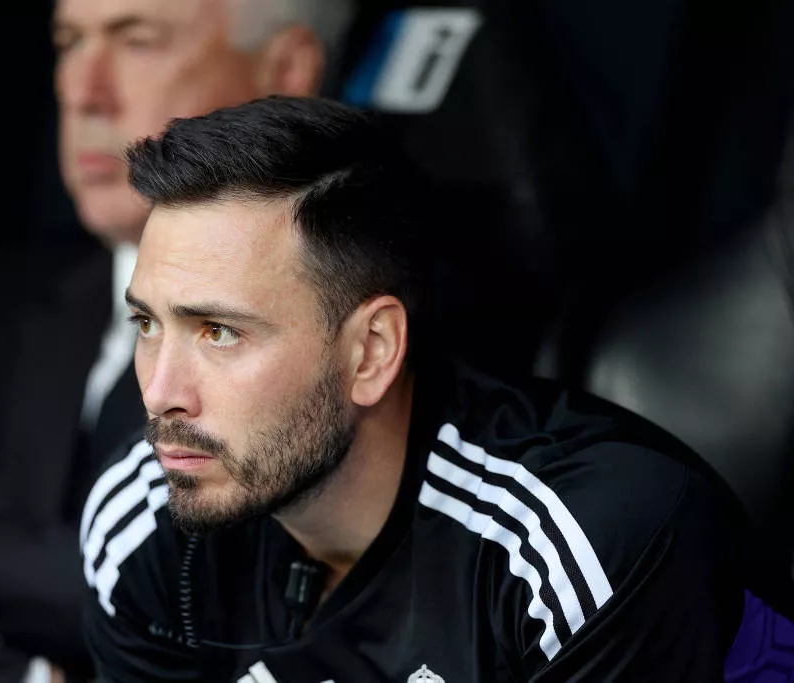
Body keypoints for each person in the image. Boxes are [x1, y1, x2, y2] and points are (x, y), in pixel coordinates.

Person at [0, 2, 354, 682]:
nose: (83, 90)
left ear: (285, 72)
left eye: (138, 41)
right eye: (69, 43)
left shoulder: (354, 337)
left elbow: (248, 624)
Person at [81, 96, 746, 682]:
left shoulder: (576, 547)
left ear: (370, 352)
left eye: (219, 332)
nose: (161, 391)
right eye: (145, 323)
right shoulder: (141, 521)